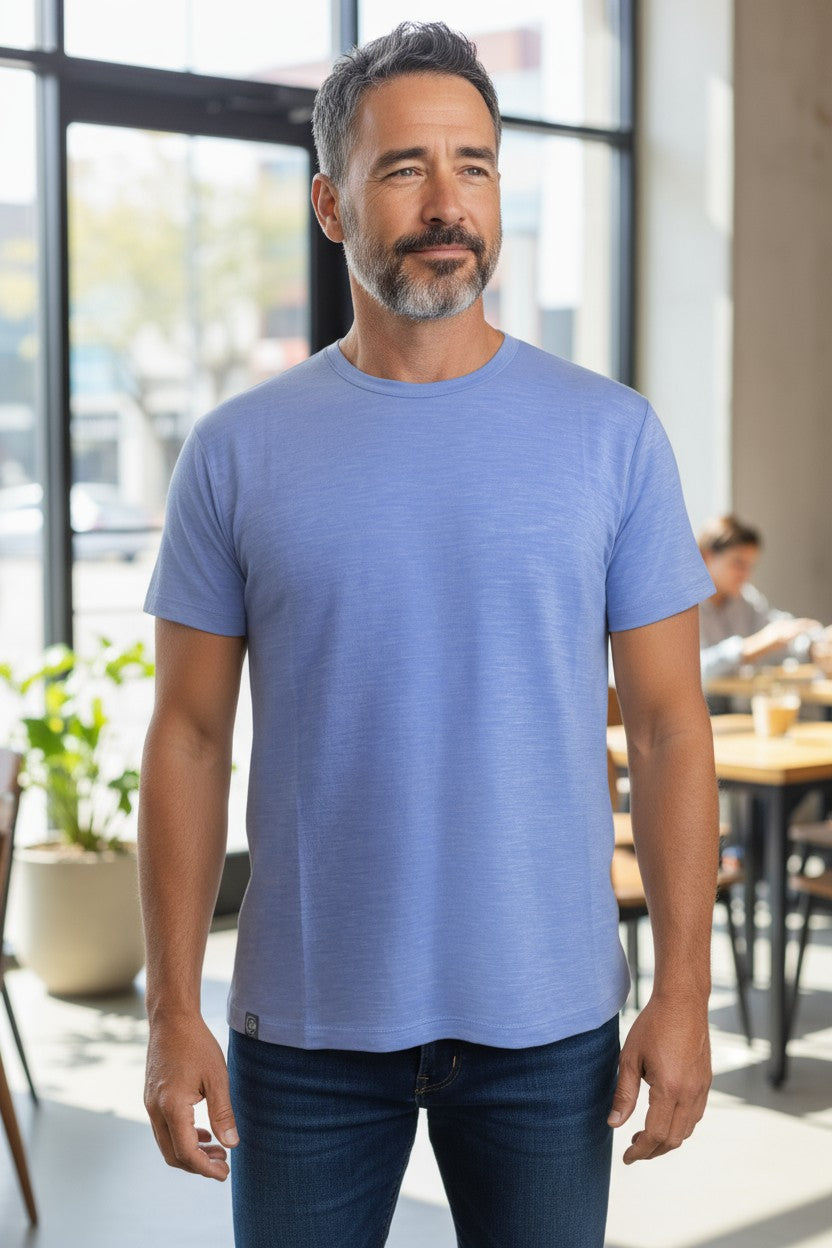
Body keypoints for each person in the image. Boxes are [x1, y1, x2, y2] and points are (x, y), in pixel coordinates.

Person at [138, 22, 719, 1248]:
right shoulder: (237, 452)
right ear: (331, 205)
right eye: (405, 167)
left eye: (476, 165)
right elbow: (188, 739)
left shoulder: (610, 436)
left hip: (548, 1033)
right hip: (303, 1037)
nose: (448, 202)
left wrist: (681, 989)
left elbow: (671, 729)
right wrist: (170, 1010)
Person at [697, 514, 830, 685]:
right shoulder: (684, 606)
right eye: (738, 563)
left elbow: (778, 631)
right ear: (706, 556)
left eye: (750, 566)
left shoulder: (745, 599)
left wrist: (814, 646)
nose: (746, 575)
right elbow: (693, 670)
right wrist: (751, 646)